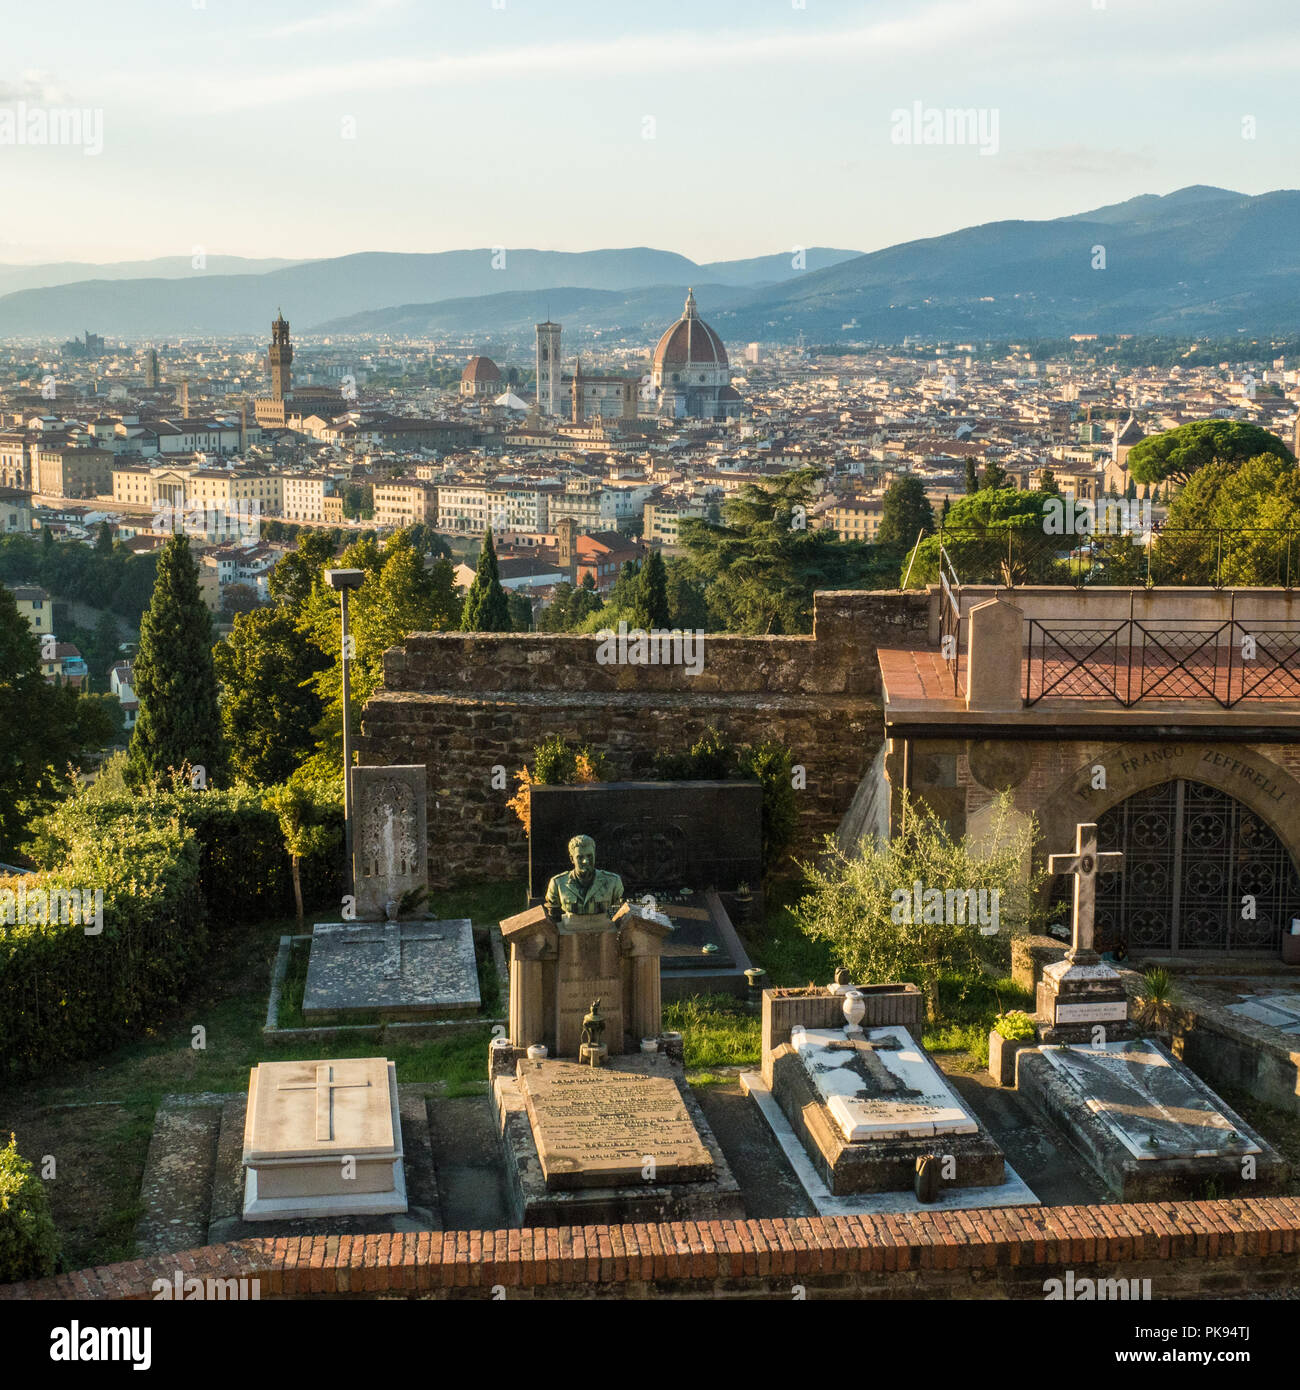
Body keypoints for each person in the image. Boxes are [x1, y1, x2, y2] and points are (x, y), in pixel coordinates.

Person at [544, 833, 624, 920]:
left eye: (589, 856)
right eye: (580, 857)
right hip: (570, 931)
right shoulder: (557, 884)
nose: (585, 861)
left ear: (595, 855)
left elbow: (619, 915)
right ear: (572, 859)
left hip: (603, 931)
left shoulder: (613, 882)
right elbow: (553, 919)